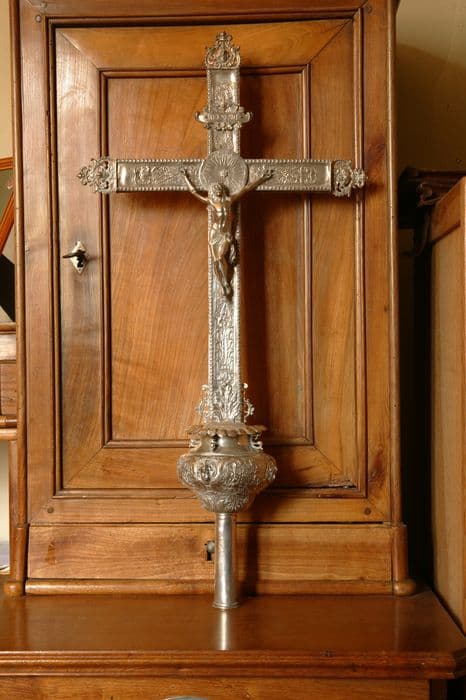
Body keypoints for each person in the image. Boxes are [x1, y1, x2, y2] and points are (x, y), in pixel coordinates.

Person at [181, 168, 273, 297]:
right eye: (215, 188)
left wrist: (262, 178)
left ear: (222, 190)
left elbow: (246, 188)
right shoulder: (211, 201)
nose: (217, 189)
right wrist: (186, 177)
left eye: (219, 188)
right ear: (212, 191)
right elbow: (194, 192)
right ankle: (224, 283)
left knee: (221, 257)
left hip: (225, 234)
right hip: (214, 234)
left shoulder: (229, 201)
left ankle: (225, 281)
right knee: (217, 260)